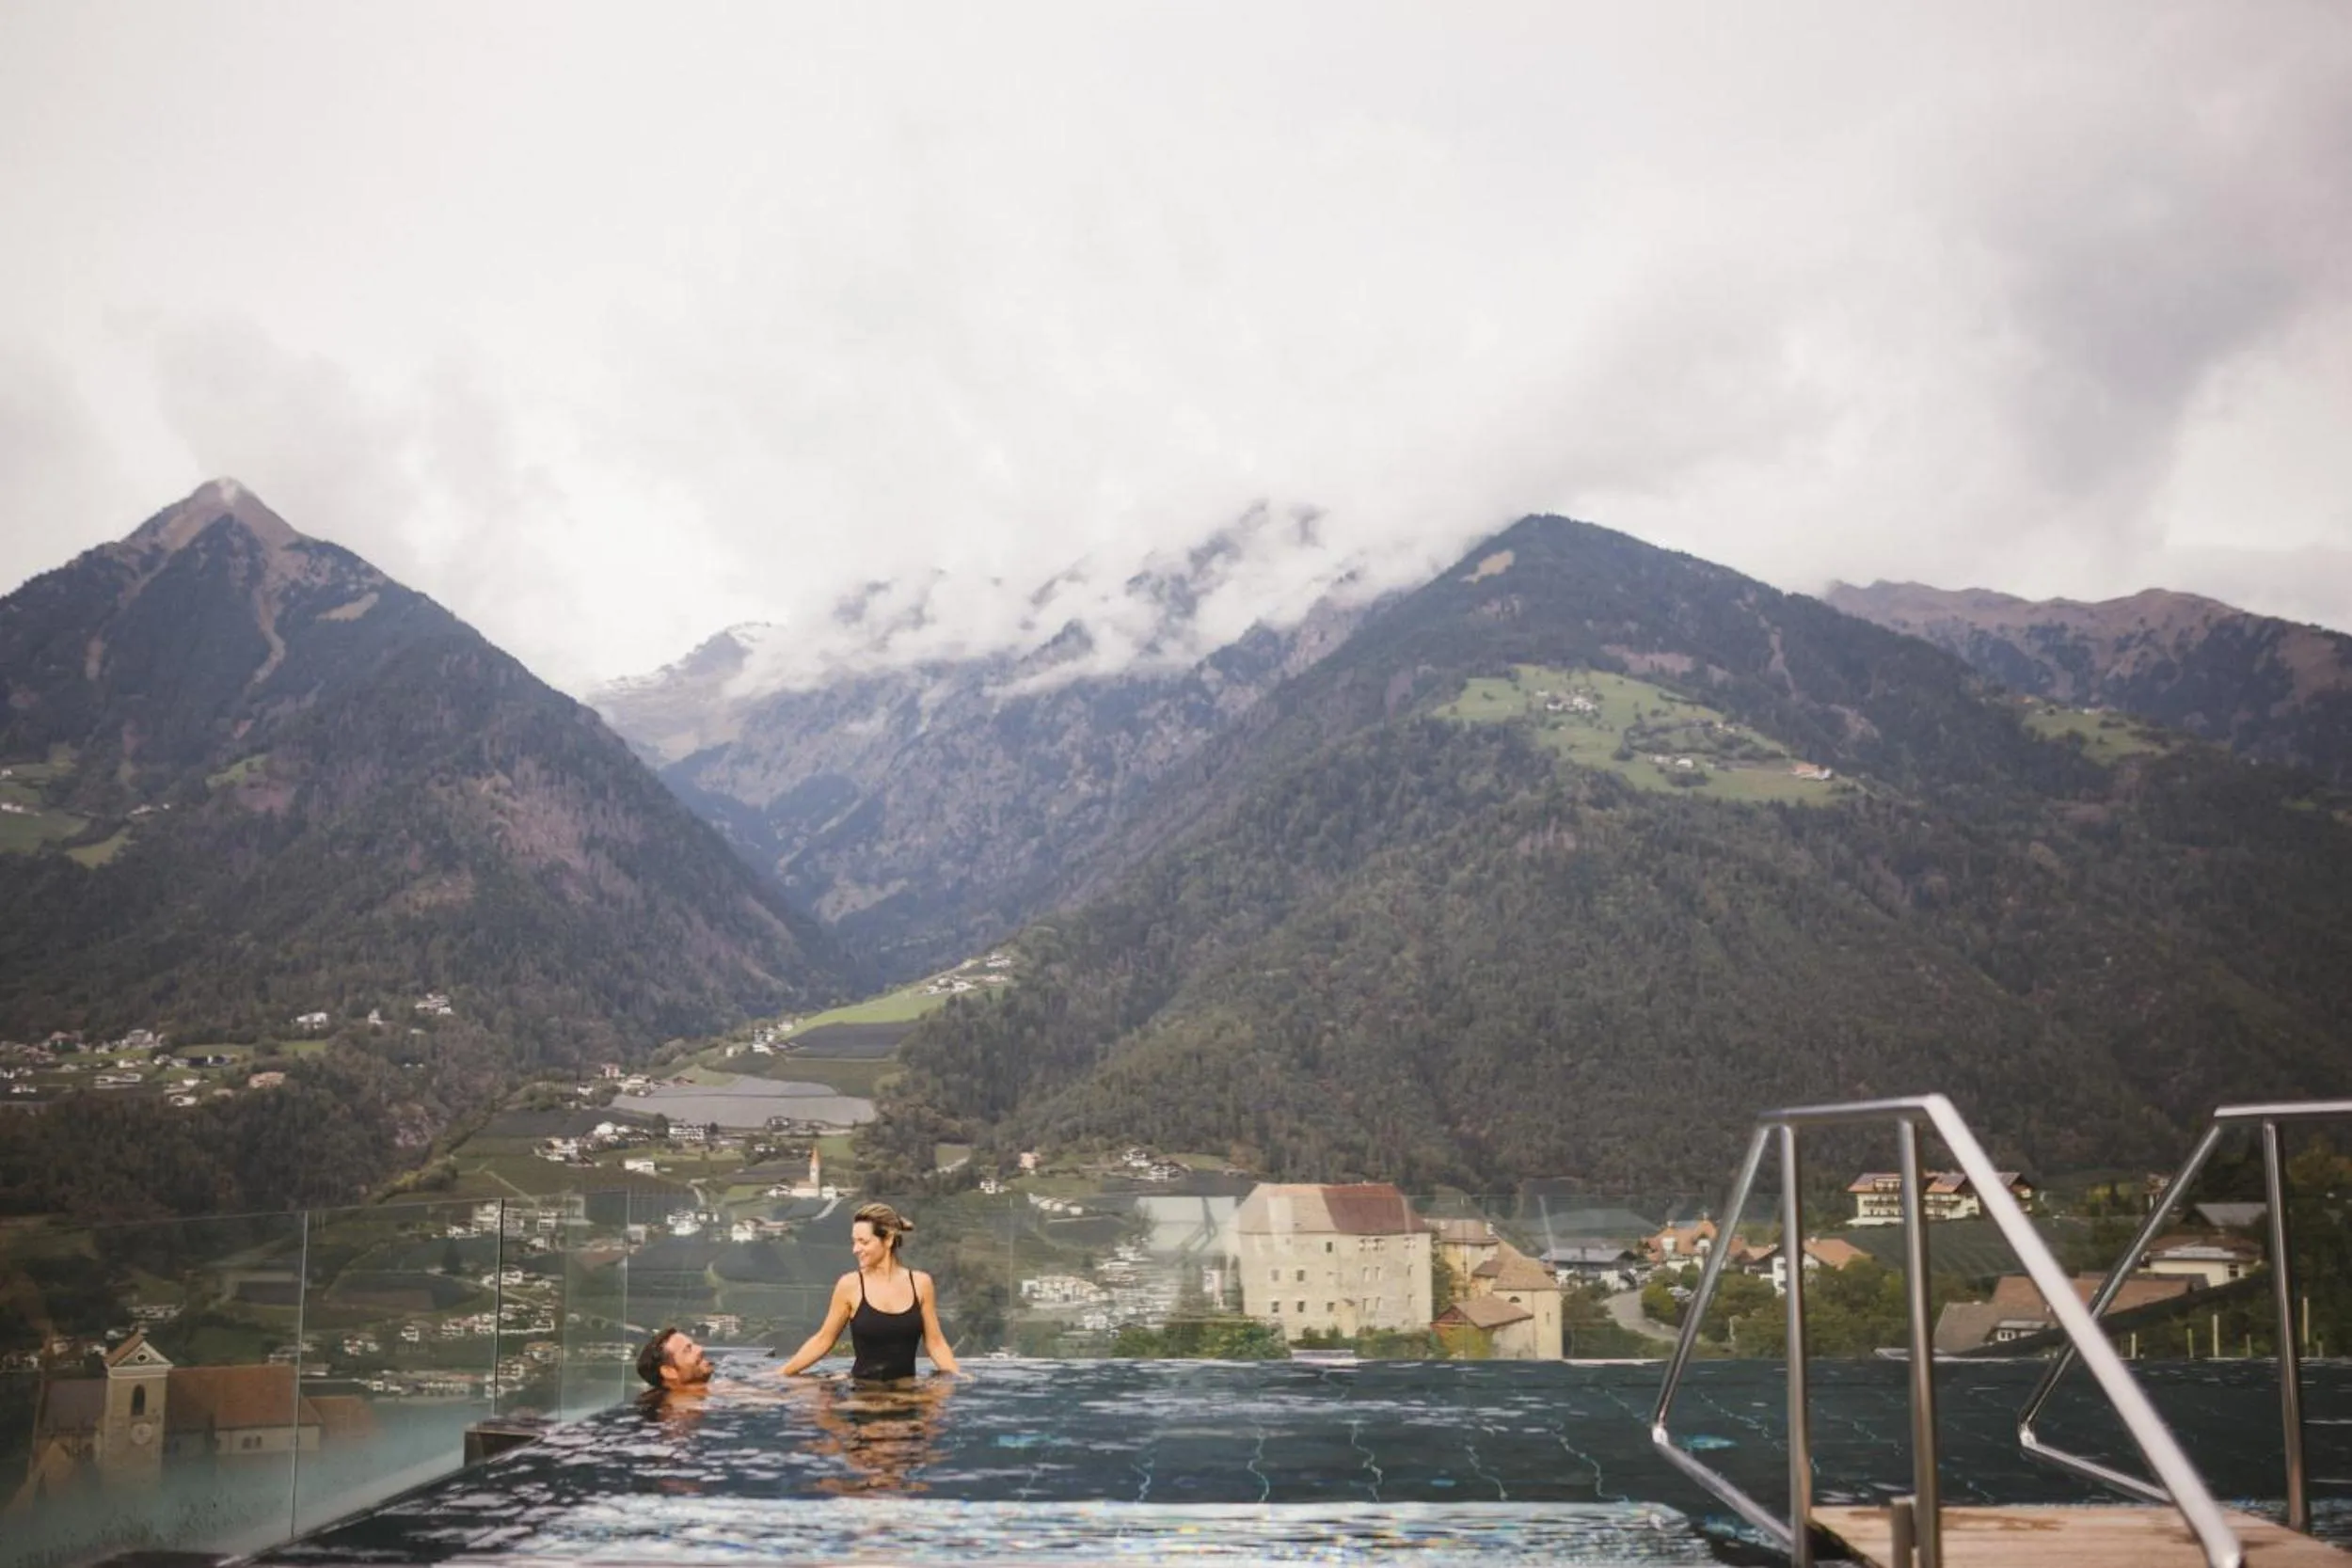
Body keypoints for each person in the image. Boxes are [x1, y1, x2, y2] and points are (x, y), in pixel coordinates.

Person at [778, 1201, 961, 1379]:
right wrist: (783, 1373)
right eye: (854, 1242)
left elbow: (935, 1343)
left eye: (863, 1242)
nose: (855, 1249)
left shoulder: (921, 1284)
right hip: (863, 1391)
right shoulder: (850, 1285)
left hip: (906, 1391)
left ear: (888, 1240)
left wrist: (958, 1377)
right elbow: (823, 1340)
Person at [635, 1323, 716, 1392]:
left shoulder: (710, 1392)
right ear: (669, 1372)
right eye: (687, 1350)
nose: (700, 1349)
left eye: (693, 1344)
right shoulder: (683, 1405)